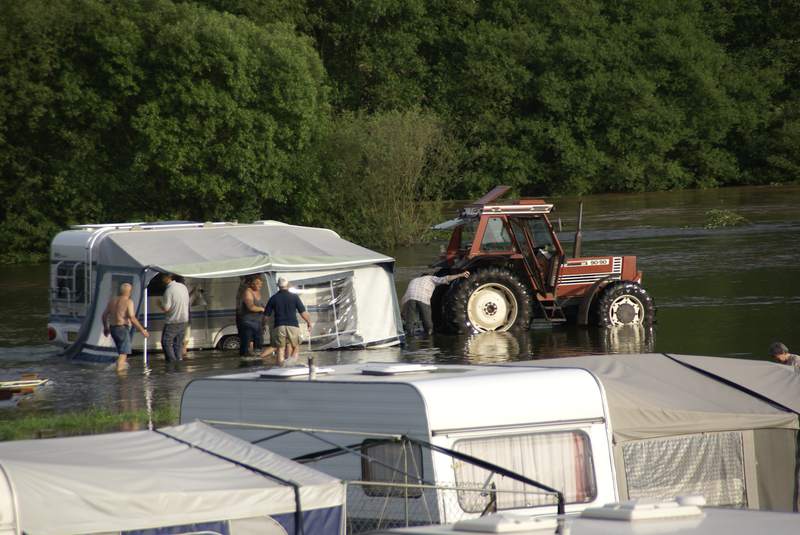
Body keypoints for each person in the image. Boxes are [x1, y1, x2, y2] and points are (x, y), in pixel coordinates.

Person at [401, 271, 470, 335]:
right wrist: (460, 275)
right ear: (428, 275)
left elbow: (405, 297)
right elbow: (446, 278)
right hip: (422, 298)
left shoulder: (414, 280)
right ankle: (429, 339)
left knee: (409, 322)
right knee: (428, 324)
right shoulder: (431, 278)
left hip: (409, 298)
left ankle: (410, 339)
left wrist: (403, 312)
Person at [264, 277, 312, 366]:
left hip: (279, 326)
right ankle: (291, 364)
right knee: (295, 346)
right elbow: (303, 313)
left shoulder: (273, 298)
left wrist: (263, 326)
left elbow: (266, 316)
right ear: (288, 285)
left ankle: (281, 367)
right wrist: (309, 322)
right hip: (293, 325)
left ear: (278, 286)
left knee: (280, 349)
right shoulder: (294, 297)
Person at [102, 282, 149, 372]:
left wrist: (105, 328)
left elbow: (104, 315)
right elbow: (132, 317)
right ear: (129, 292)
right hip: (122, 328)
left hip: (113, 328)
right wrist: (142, 330)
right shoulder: (128, 302)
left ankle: (120, 370)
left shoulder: (112, 301)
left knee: (120, 353)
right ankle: (121, 378)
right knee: (123, 354)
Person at [157, 272, 190, 363]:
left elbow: (166, 308)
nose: (161, 280)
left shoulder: (169, 290)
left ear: (167, 278)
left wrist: (159, 304)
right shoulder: (183, 287)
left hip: (173, 321)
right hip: (184, 320)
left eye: (162, 277)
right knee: (178, 343)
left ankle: (171, 362)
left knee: (166, 342)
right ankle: (179, 361)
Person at [237, 275, 266, 357]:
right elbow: (251, 307)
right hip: (248, 322)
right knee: (246, 344)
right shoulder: (248, 292)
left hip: (258, 322)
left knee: (259, 343)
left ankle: (257, 361)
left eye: (260, 283)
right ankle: (244, 363)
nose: (260, 285)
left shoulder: (258, 292)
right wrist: (263, 309)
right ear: (251, 284)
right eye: (257, 283)